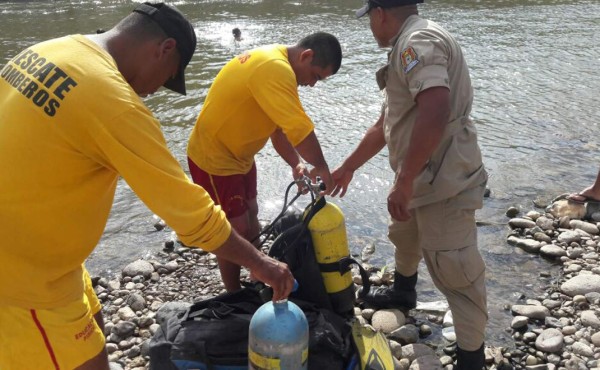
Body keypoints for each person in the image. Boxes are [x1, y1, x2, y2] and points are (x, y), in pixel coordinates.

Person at [0, 3, 294, 370]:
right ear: (164, 48)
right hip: (23, 280)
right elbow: (190, 214)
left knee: (96, 327)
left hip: (53, 260)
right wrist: (261, 263)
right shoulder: (113, 101)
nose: (156, 91)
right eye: (168, 78)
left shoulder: (52, 49)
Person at [331, 1, 488, 368]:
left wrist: (403, 181)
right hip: (421, 174)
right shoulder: (405, 43)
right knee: (404, 232)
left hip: (444, 179)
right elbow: (386, 122)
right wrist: (347, 167)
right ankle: (404, 293)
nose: (370, 25)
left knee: (455, 268)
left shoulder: (416, 41)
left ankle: (471, 356)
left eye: (370, 17)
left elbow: (436, 110)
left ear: (380, 13)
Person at [187, 32, 342, 292]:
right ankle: (234, 293)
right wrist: (322, 167)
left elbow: (279, 130)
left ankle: (257, 273)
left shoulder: (280, 66)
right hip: (214, 158)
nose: (313, 85)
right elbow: (299, 128)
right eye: (316, 76)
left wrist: (296, 163)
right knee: (233, 227)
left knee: (252, 211)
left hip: (241, 156)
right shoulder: (275, 68)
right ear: (307, 56)